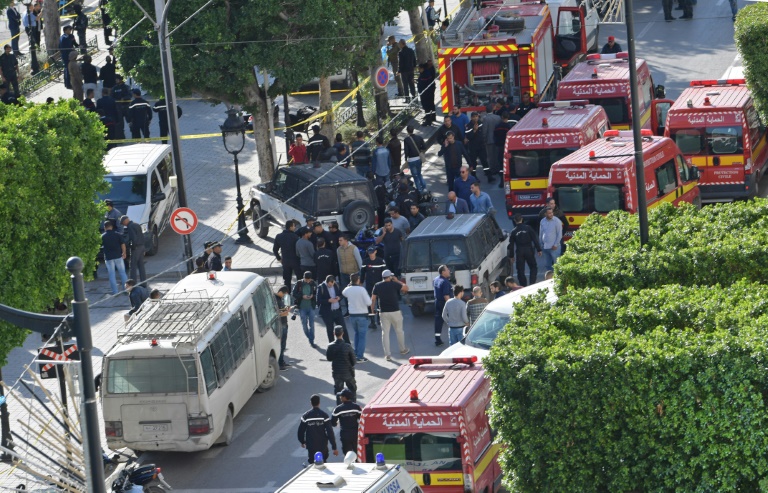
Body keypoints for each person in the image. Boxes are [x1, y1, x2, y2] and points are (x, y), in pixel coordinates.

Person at [371, 270, 410, 361]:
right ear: (390, 277)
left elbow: (373, 299)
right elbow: (406, 288)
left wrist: (372, 310)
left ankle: (387, 354)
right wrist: (397, 280)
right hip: (395, 311)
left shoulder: (377, 285)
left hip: (383, 312)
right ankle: (403, 349)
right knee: (399, 331)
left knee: (385, 333)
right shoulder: (394, 284)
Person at [298, 394, 338, 464]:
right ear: (319, 403)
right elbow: (330, 432)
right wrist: (334, 447)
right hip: (322, 446)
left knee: (312, 464)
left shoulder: (306, 416)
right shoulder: (324, 416)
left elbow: (300, 431)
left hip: (311, 446)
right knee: (323, 463)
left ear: (311, 403)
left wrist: (302, 442)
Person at [342, 273, 372, 362]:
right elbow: (369, 303)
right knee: (362, 337)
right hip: (362, 315)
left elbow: (343, 292)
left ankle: (356, 353)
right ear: (358, 280)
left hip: (352, 315)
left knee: (356, 334)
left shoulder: (348, 289)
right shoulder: (362, 290)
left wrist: (349, 285)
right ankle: (360, 356)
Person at [508, 213, 542, 286]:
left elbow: (511, 245)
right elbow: (535, 239)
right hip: (529, 250)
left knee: (520, 270)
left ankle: (523, 285)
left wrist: (511, 256)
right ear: (522, 219)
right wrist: (539, 249)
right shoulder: (528, 228)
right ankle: (532, 282)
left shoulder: (513, 231)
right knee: (533, 266)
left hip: (519, 251)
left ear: (515, 220)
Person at [326, 326, 357, 402]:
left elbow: (329, 358)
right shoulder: (347, 346)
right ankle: (353, 405)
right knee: (352, 389)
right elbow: (354, 361)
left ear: (334, 334)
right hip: (348, 373)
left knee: (339, 392)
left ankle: (339, 406)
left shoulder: (330, 346)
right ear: (342, 333)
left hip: (337, 373)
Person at [319, 276, 349, 343]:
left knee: (343, 328)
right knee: (330, 330)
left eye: (332, 284)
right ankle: (332, 345)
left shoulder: (336, 285)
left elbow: (342, 294)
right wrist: (328, 300)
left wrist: (339, 298)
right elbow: (318, 300)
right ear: (326, 282)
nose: (331, 286)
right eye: (329, 285)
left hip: (337, 311)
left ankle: (348, 344)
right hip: (328, 313)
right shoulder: (321, 287)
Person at [331, 388, 362, 455]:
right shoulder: (357, 407)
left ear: (344, 397)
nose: (340, 397)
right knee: (358, 453)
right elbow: (361, 419)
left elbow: (333, 423)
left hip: (345, 435)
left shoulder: (338, 409)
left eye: (341, 396)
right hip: (355, 434)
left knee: (347, 454)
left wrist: (337, 423)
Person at [292, 271, 318, 347]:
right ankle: (309, 337)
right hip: (302, 307)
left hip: (311, 306)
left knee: (312, 324)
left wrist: (312, 296)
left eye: (309, 280)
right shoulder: (299, 283)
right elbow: (293, 293)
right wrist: (302, 296)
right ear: (303, 278)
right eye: (306, 280)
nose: (307, 281)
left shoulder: (313, 283)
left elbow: (316, 293)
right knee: (304, 324)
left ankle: (311, 340)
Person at [464, 112, 492, 182]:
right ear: (471, 118)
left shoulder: (480, 123)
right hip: (473, 148)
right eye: (474, 117)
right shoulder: (469, 126)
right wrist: (474, 130)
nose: (475, 118)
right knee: (473, 163)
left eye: (476, 116)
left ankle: (489, 176)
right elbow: (468, 137)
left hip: (481, 146)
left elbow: (484, 132)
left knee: (484, 161)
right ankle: (474, 177)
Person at [101, 222, 128, 295]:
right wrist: (124, 252)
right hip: (118, 256)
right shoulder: (118, 235)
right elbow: (123, 244)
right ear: (112, 227)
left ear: (105, 227)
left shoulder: (102, 236)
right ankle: (126, 290)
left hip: (108, 258)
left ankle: (115, 292)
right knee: (122, 273)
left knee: (112, 275)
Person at [120, 215, 146, 284]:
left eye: (123, 223)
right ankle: (144, 283)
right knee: (141, 266)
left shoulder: (130, 226)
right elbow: (142, 236)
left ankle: (133, 284)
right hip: (142, 246)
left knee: (133, 266)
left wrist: (132, 247)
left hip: (136, 248)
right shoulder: (136, 224)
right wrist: (144, 248)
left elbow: (133, 238)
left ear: (125, 221)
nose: (124, 225)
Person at [403, 125, 427, 191]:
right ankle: (424, 187)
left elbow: (406, 151)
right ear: (413, 129)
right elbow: (424, 147)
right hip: (418, 158)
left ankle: (419, 190)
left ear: (407, 131)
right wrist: (420, 150)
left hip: (411, 160)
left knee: (415, 176)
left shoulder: (406, 140)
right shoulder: (419, 137)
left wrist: (405, 158)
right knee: (419, 174)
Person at [484, 105, 503, 187]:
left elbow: (485, 130)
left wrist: (484, 139)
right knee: (497, 154)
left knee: (490, 156)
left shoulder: (485, 119)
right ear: (492, 109)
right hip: (497, 139)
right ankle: (498, 168)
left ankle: (493, 169)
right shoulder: (498, 117)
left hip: (489, 140)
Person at [540, 208, 563, 273]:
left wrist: (555, 244)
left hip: (554, 247)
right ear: (545, 214)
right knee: (548, 265)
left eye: (552, 213)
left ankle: (557, 276)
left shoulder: (557, 221)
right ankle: (549, 277)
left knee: (556, 265)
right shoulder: (542, 221)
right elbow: (541, 233)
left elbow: (559, 234)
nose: (551, 214)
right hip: (545, 247)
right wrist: (541, 244)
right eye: (549, 213)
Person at [433, 265, 452, 346]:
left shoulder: (436, 279)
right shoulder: (445, 282)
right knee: (452, 319)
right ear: (443, 272)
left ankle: (437, 340)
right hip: (444, 303)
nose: (449, 271)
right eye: (447, 270)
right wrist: (450, 306)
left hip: (437, 302)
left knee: (438, 321)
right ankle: (454, 337)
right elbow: (446, 295)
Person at [275, 286, 291, 370]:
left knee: (283, 345)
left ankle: (281, 361)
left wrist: (286, 309)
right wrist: (284, 313)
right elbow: (275, 313)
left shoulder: (280, 299)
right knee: (281, 345)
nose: (285, 296)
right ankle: (280, 363)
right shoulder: (275, 299)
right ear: (281, 292)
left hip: (284, 323)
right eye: (284, 294)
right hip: (280, 324)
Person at [111, 74, 131, 140]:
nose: (116, 80)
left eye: (117, 79)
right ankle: (121, 137)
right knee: (120, 124)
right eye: (115, 79)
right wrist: (116, 101)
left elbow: (130, 95)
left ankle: (135, 136)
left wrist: (124, 98)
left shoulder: (126, 87)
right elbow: (112, 97)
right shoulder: (114, 88)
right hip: (118, 107)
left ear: (120, 79)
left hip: (126, 106)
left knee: (130, 121)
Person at [494, 112, 514, 177]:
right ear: (508, 118)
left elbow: (495, 135)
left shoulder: (497, 126)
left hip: (499, 146)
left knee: (500, 161)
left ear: (502, 117)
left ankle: (501, 177)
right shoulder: (509, 127)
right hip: (506, 146)